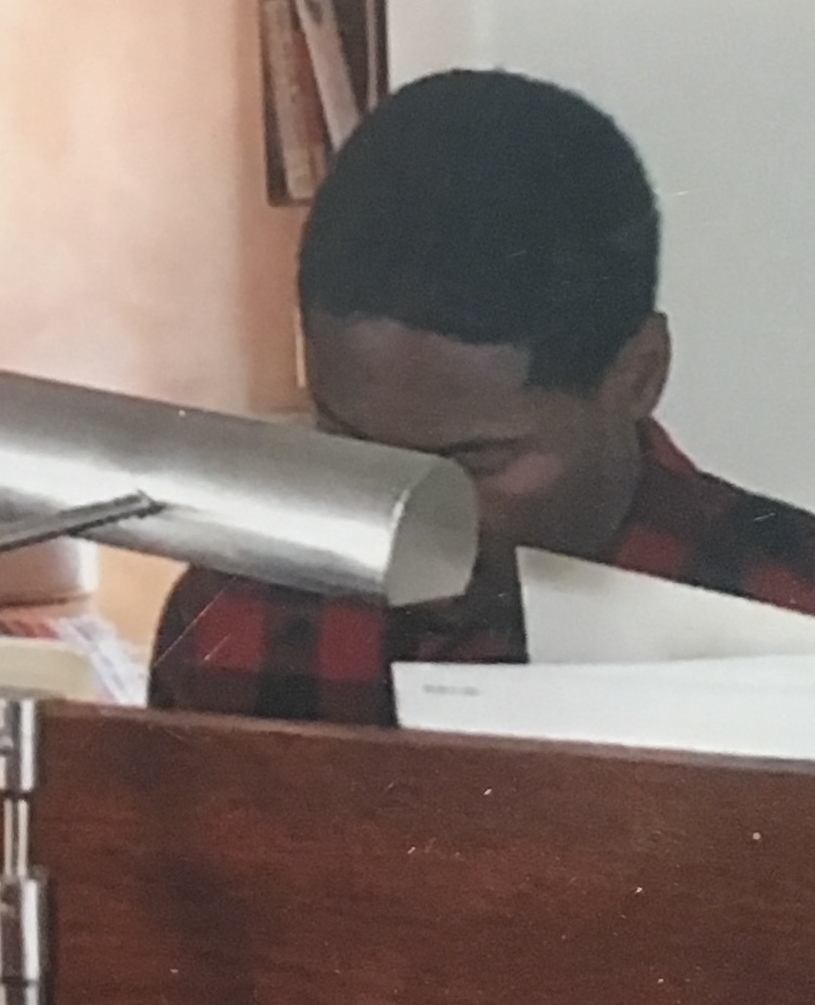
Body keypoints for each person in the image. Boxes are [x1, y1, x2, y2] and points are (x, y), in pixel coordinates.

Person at [149, 68, 815, 721]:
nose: (401, 522)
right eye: (350, 444)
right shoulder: (230, 613)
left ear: (640, 373)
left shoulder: (789, 617)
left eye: (474, 461)